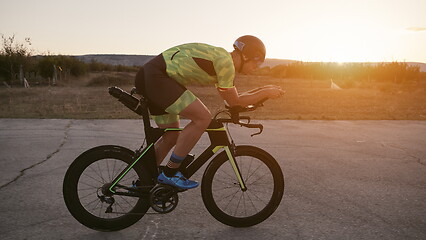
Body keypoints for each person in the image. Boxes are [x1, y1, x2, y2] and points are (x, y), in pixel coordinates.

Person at [134, 35, 285, 189]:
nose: (257, 67)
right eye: (257, 61)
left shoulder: (223, 60)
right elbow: (234, 102)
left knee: (171, 135)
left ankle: (145, 182)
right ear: (246, 56)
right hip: (157, 77)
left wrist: (264, 91)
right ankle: (170, 173)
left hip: (151, 76)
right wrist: (265, 93)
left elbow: (233, 99)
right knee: (203, 118)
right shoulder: (226, 63)